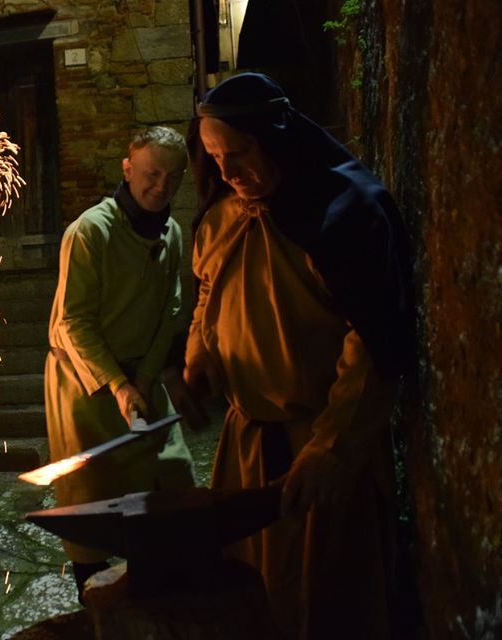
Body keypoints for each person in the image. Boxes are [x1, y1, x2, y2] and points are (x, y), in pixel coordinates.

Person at [183, 73, 414, 639]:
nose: (226, 171)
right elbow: (209, 290)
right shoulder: (222, 216)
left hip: (317, 450)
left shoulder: (344, 215)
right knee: (253, 597)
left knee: (325, 603)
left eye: (237, 153)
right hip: (245, 448)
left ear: (276, 139)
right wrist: (201, 353)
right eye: (213, 157)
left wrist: (332, 449)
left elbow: (374, 343)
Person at [44, 126, 196, 603]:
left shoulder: (171, 232)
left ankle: (154, 597)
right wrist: (117, 383)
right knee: (91, 503)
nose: (161, 187)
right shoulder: (90, 231)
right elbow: (76, 323)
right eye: (151, 174)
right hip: (84, 381)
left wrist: (146, 378)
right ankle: (96, 609)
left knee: (170, 477)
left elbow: (170, 311)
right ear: (128, 169)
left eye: (173, 179)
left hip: (141, 376)